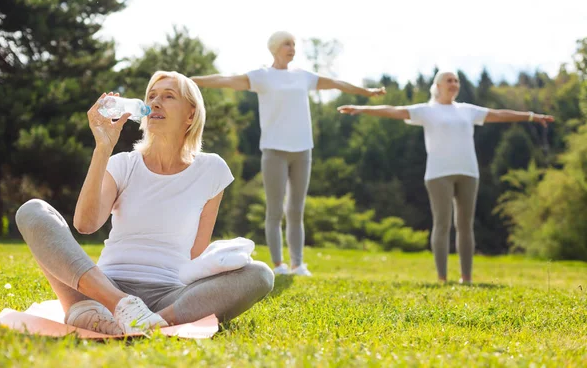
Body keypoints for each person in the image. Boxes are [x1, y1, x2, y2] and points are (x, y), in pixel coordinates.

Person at [15, 71, 274, 335]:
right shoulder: (123, 164)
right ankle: (119, 309)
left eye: (168, 96)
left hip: (169, 294)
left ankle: (142, 321)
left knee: (261, 274)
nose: (156, 102)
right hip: (104, 288)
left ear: (191, 114)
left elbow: (196, 252)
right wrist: (103, 148)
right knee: (33, 211)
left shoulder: (212, 169)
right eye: (151, 96)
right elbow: (85, 224)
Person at [191, 31, 385, 276]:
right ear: (274, 48)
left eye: (294, 44)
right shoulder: (262, 76)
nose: (292, 48)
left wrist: (366, 92)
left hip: (303, 149)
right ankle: (279, 265)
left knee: (296, 210)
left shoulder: (302, 76)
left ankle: (298, 264)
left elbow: (337, 83)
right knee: (275, 210)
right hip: (274, 150)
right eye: (287, 44)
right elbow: (224, 79)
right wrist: (188, 79)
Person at [337, 70, 554, 284]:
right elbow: (394, 110)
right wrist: (362, 109)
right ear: (438, 86)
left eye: (457, 80)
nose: (454, 84)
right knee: (442, 224)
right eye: (449, 80)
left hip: (468, 172)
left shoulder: (467, 111)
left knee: (465, 225)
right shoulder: (427, 110)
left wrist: (531, 116)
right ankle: (442, 278)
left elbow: (498, 114)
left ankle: (466, 278)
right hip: (438, 174)